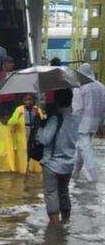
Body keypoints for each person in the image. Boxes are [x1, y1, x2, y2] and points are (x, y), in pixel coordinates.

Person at [37, 88, 79, 224]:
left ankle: (55, 229)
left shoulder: (55, 119)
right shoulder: (76, 118)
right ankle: (65, 222)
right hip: (69, 163)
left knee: (51, 193)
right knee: (64, 192)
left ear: (56, 101)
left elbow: (44, 139)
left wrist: (40, 127)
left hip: (52, 164)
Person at [72, 62, 105, 182]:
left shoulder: (80, 87)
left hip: (83, 122)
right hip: (96, 122)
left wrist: (73, 122)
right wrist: (102, 123)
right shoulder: (101, 87)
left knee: (85, 147)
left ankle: (93, 175)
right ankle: (74, 173)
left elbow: (77, 108)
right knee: (81, 147)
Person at [7, 94, 44, 174]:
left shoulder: (37, 109)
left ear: (33, 101)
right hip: (22, 135)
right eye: (26, 100)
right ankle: (23, 171)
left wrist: (38, 114)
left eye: (30, 100)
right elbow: (10, 123)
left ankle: (33, 170)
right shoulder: (19, 109)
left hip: (33, 134)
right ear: (23, 101)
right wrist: (17, 117)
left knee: (33, 151)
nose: (28, 102)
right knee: (23, 153)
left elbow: (42, 121)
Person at [0, 107, 15, 173]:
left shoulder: (10, 126)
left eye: (7, 118)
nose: (6, 120)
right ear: (0, 118)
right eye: (4, 118)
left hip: (8, 148)